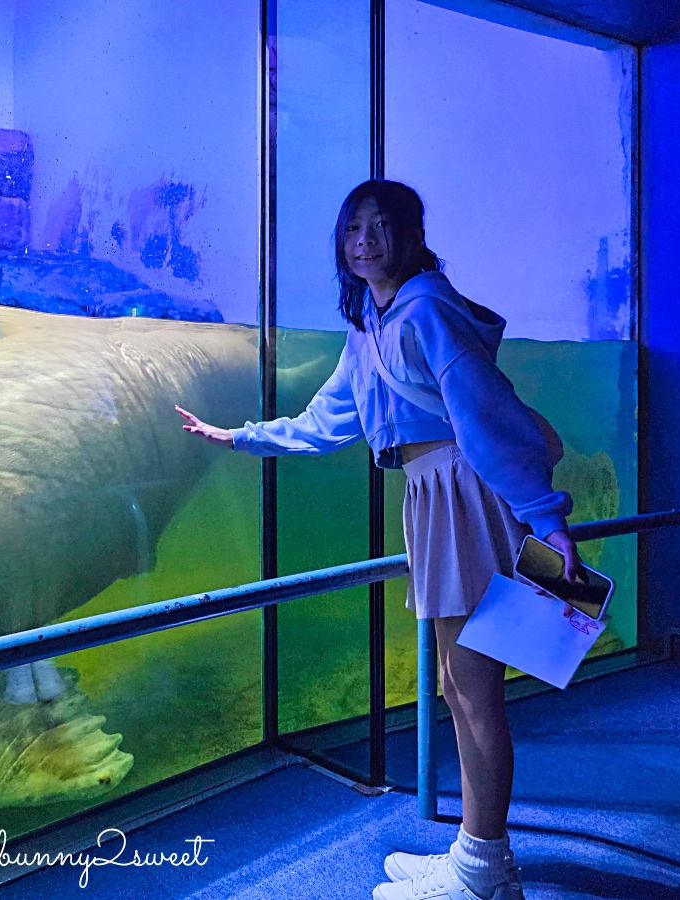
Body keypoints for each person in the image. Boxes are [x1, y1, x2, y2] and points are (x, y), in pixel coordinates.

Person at [177, 179, 583, 900]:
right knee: (459, 686)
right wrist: (237, 436)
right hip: (432, 497)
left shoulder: (426, 309)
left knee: (474, 688)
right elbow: (327, 420)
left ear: (412, 234)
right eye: (353, 226)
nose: (365, 238)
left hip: (467, 491)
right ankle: (479, 856)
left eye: (382, 224)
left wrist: (545, 516)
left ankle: (484, 870)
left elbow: (485, 418)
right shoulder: (369, 318)